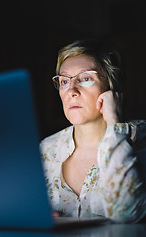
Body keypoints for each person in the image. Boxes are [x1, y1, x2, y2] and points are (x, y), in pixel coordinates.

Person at [40, 38, 146, 223]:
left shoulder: (141, 138)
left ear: (111, 87)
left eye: (86, 78)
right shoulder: (46, 150)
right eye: (64, 81)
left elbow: (127, 214)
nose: (71, 90)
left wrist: (114, 122)